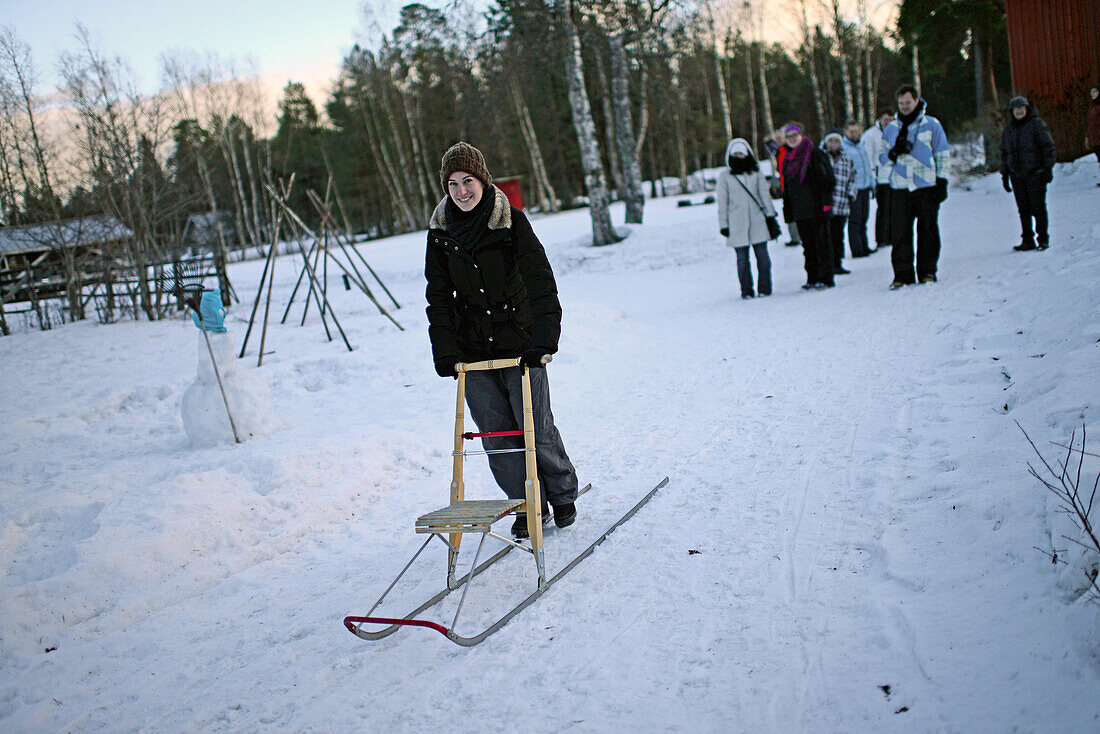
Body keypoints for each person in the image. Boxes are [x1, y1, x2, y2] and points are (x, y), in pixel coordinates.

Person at [425, 141, 579, 538]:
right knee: (498, 437)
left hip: (521, 344)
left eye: (469, 180)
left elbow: (540, 281)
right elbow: (438, 299)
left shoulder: (510, 222)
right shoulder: (440, 233)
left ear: (483, 179)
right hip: (473, 353)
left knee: (536, 430)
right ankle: (527, 505)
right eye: (453, 183)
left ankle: (561, 493)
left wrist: (544, 338)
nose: (462, 191)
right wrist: (445, 350)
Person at [880, 85, 950, 289]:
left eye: (908, 103)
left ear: (917, 101)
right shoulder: (891, 128)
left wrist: (942, 180)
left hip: (926, 185)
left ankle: (927, 271)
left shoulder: (932, 124)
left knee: (927, 229)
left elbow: (942, 153)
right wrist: (893, 153)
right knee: (900, 232)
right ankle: (902, 274)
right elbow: (882, 158)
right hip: (900, 187)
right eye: (901, 103)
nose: (904, 107)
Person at [717, 138, 777, 299]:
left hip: (757, 220)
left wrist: (770, 215)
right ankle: (746, 290)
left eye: (741, 154)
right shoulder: (725, 176)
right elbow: (722, 201)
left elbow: (764, 194)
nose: (738, 156)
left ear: (747, 154)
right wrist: (723, 224)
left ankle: (765, 288)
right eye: (735, 154)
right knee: (742, 260)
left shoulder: (755, 172)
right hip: (737, 223)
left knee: (763, 257)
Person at [780, 123, 836, 290]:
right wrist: (788, 210)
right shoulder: (788, 159)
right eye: (788, 137)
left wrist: (826, 202)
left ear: (801, 136)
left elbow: (828, 179)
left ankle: (826, 277)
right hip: (800, 209)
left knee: (822, 244)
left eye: (794, 136)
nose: (791, 139)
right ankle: (812, 277)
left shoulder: (814, 153)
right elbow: (788, 187)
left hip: (817, 207)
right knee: (808, 245)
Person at [1000, 96, 1056, 251]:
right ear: (1012, 112)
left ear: (1027, 109)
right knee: (1023, 209)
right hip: (1016, 175)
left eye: (1021, 108)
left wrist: (1047, 169)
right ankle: (1028, 240)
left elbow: (1048, 147)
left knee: (1038, 207)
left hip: (1035, 173)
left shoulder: (1036, 125)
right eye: (1016, 109)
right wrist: (1005, 175)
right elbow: (1004, 153)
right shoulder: (1008, 129)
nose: (1019, 111)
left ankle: (1043, 239)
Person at [822, 131, 857, 275]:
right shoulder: (823, 158)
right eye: (830, 141)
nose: (833, 144)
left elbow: (853, 177)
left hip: (842, 203)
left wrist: (851, 193)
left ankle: (838, 262)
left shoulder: (847, 159)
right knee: (827, 235)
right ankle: (828, 263)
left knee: (838, 235)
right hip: (827, 204)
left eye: (836, 141)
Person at [862, 108, 896, 249]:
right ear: (880, 119)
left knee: (895, 208)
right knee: (883, 208)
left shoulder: (896, 131)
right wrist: (872, 176)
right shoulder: (871, 135)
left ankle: (892, 236)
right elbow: (868, 157)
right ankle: (882, 238)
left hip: (895, 177)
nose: (888, 122)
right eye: (885, 119)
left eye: (890, 119)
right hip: (881, 178)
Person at [843, 120, 875, 257]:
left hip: (865, 186)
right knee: (855, 219)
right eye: (851, 131)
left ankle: (864, 245)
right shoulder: (845, 147)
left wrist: (872, 183)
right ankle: (857, 249)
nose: (854, 134)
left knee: (864, 217)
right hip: (854, 188)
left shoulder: (861, 145)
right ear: (846, 132)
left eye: (856, 130)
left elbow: (867, 165)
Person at [767, 129, 802, 247]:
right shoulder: (778, 151)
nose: (778, 141)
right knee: (789, 212)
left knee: (795, 211)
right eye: (776, 139)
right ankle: (795, 236)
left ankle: (798, 236)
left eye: (780, 138)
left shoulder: (789, 149)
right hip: (785, 186)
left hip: (793, 186)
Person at [1085, 84, 1100, 179]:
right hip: (1095, 138)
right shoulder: (1092, 106)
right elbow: (1090, 123)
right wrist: (1087, 137)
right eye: (1091, 92)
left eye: (1095, 91)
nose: (1092, 94)